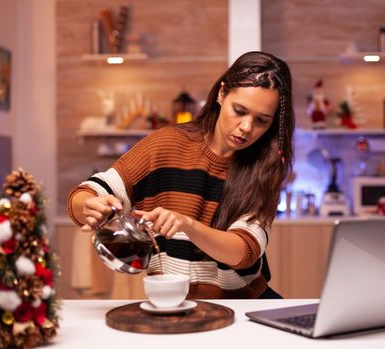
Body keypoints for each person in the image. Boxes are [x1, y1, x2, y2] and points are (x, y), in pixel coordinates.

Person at [67, 51, 295, 299]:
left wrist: (188, 225)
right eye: (239, 111)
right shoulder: (165, 145)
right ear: (221, 94)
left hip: (245, 306)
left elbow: (243, 252)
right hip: (174, 303)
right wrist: (90, 206)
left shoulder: (265, 169)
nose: (247, 127)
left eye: (262, 120)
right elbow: (86, 195)